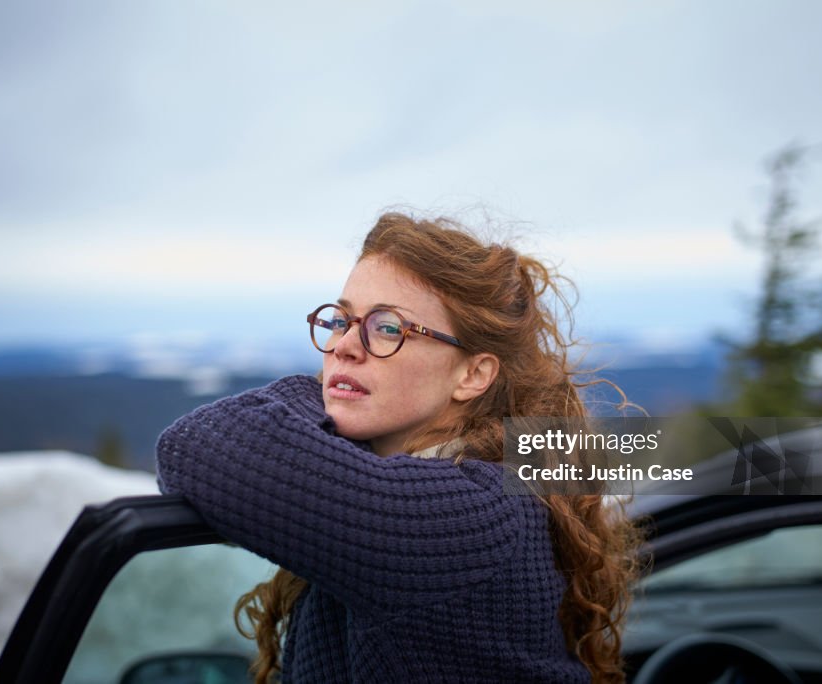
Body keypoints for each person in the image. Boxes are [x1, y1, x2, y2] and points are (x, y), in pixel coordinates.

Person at [155, 212, 641, 683]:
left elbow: (195, 446)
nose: (344, 345)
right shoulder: (492, 480)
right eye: (342, 320)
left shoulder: (467, 517)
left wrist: (324, 391)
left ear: (472, 374)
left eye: (388, 328)